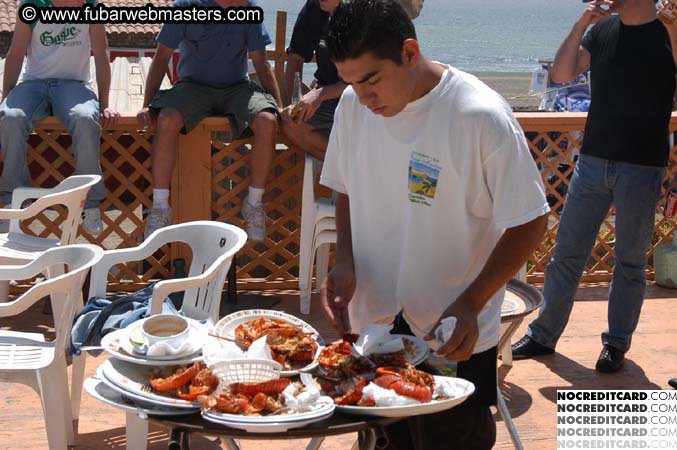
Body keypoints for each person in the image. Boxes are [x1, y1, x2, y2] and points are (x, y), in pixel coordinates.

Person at [319, 1, 550, 448]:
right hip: (376, 320)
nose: (364, 99)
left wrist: (473, 300)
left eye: (371, 81)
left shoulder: (479, 115)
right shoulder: (352, 105)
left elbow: (531, 220)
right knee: (385, 437)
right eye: (351, 84)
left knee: (452, 438)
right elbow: (345, 185)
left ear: (409, 51)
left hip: (452, 329)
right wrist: (343, 258)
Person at [512, 0, 677, 373]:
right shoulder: (602, 30)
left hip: (642, 166)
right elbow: (563, 73)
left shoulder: (667, 30)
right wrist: (581, 23)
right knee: (566, 255)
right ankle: (543, 335)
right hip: (592, 161)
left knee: (630, 263)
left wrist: (673, 28)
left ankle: (616, 344)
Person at [137, 0, 282, 242]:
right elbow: (161, 57)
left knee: (268, 120)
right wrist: (147, 104)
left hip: (237, 86)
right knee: (166, 118)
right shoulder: (184, 6)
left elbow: (261, 61)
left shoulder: (248, 9)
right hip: (193, 86)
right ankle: (161, 206)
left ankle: (254, 203)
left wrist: (279, 107)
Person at [0, 0, 119, 235]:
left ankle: (91, 202)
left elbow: (102, 55)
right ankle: (12, 200)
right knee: (10, 116)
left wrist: (105, 104)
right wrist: (5, 98)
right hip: (34, 83)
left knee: (85, 118)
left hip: (73, 85)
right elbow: (15, 54)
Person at [281, 0, 346, 161]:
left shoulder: (364, 13)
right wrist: (294, 105)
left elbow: (364, 80)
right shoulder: (315, 7)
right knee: (292, 125)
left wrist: (320, 94)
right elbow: (296, 57)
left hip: (363, 97)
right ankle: (348, 167)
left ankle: (352, 171)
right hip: (328, 97)